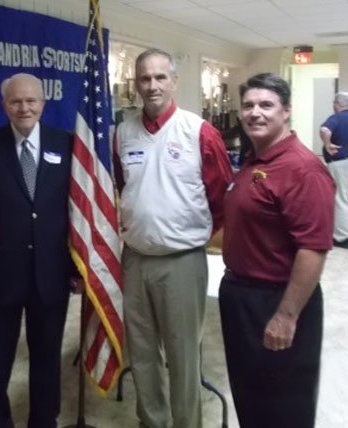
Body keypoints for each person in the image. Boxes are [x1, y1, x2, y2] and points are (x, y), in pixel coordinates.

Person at [115, 48, 233, 428]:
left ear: (174, 81)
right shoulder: (123, 132)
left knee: (183, 356)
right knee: (142, 353)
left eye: (160, 77)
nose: (152, 86)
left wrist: (185, 233)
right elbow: (122, 187)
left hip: (182, 264)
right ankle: (152, 421)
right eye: (144, 79)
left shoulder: (199, 131)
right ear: (136, 84)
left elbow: (221, 199)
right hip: (134, 260)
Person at [0, 73, 81, 427]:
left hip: (52, 274)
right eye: (16, 101)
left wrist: (76, 269)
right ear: (4, 106)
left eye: (31, 101)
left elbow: (77, 213)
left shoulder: (67, 144)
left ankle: (44, 420)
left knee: (46, 359)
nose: (24, 107)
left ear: (43, 104)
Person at [220, 73, 335, 427]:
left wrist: (286, 316)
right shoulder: (255, 159)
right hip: (242, 295)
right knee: (251, 397)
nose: (255, 113)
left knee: (284, 405)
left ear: (286, 112)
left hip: (276, 299)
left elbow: (313, 248)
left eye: (266, 105)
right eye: (249, 105)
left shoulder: (302, 169)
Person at [320, 91, 348, 248]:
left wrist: (327, 144)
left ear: (338, 104)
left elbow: (325, 130)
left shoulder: (336, 118)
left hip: (341, 163)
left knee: (341, 198)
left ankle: (342, 237)